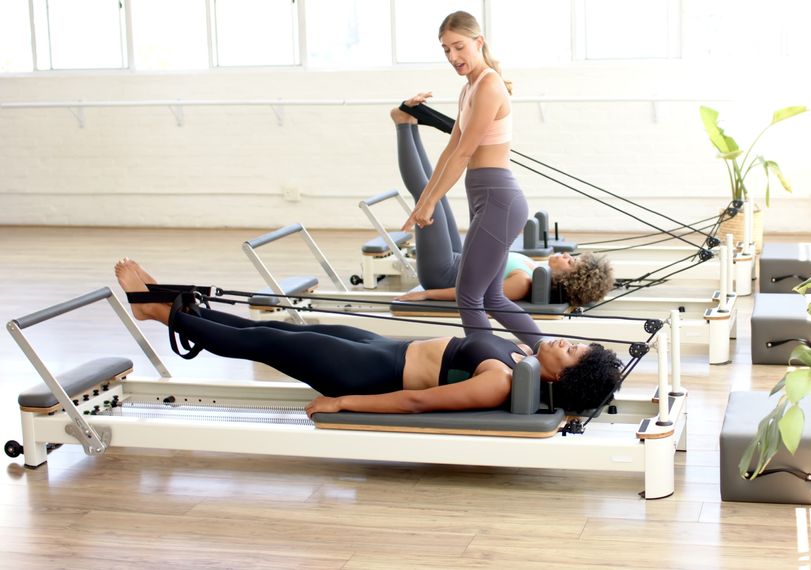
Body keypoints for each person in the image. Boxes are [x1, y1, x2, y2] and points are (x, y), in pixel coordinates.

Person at [115, 259, 622, 416]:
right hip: (380, 347)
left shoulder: (501, 381)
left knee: (262, 344)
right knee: (271, 328)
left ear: (561, 376)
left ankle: (158, 311)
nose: (564, 341)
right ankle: (173, 309)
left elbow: (421, 400)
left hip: (363, 370)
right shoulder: (524, 354)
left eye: (572, 351)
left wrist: (344, 404)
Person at [400, 11, 542, 348]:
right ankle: (549, 355)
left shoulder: (489, 85)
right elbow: (450, 150)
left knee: (468, 296)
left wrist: (433, 201)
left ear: (478, 42)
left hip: (499, 199)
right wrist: (423, 201)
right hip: (487, 199)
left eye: (459, 47)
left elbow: (464, 154)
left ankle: (487, 364)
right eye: (446, 50)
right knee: (492, 298)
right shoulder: (469, 89)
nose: (453, 57)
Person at [391, 101, 614, 308]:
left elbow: (471, 294)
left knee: (425, 197)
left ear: (568, 279)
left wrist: (426, 294)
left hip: (442, 274)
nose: (567, 256)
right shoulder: (534, 268)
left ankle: (402, 125)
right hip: (458, 260)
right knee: (435, 192)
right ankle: (408, 123)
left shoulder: (523, 283)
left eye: (571, 263)